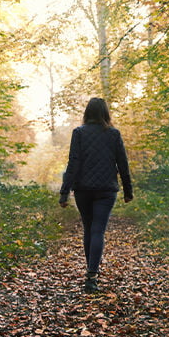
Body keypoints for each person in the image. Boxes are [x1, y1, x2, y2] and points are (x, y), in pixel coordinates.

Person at [59, 97, 133, 293]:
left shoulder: (79, 133)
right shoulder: (113, 134)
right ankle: (92, 275)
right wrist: (128, 191)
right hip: (106, 190)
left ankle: (90, 271)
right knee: (97, 230)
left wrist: (64, 192)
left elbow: (73, 163)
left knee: (88, 228)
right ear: (105, 113)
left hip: (82, 188)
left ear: (87, 113)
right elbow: (122, 164)